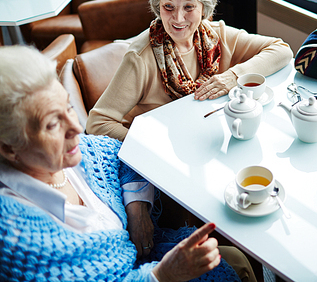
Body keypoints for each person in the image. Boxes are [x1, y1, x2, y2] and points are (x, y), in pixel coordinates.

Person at [0, 45, 257, 281]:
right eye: (52, 124)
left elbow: (125, 156)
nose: (77, 127)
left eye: (68, 108)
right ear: (9, 148)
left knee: (238, 260)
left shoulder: (79, 154)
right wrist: (161, 275)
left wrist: (136, 209)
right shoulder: (14, 236)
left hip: (150, 255)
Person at [86, 0, 293, 141]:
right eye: (169, 6)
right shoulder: (140, 56)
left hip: (204, 134)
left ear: (204, 8)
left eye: (188, 7)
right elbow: (97, 123)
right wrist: (149, 144)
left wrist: (233, 76)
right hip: (162, 146)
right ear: (158, 6)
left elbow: (282, 50)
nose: (178, 19)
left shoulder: (216, 34)